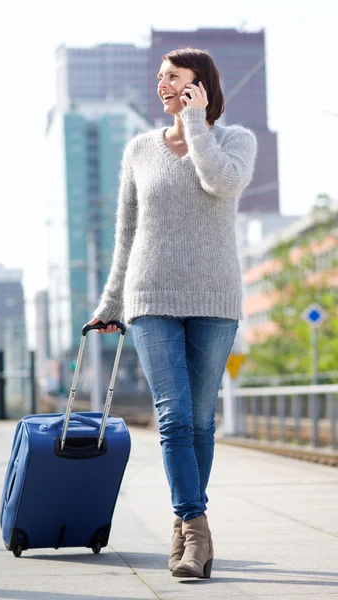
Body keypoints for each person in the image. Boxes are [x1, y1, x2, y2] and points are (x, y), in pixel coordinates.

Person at [88, 47, 257, 579]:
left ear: (200, 85)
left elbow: (219, 183)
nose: (161, 85)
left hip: (214, 299)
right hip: (150, 297)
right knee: (175, 416)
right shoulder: (139, 149)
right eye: (160, 77)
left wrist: (194, 123)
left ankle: (186, 534)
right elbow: (126, 232)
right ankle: (196, 524)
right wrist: (111, 301)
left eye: (174, 78)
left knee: (202, 421)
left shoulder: (236, 140)